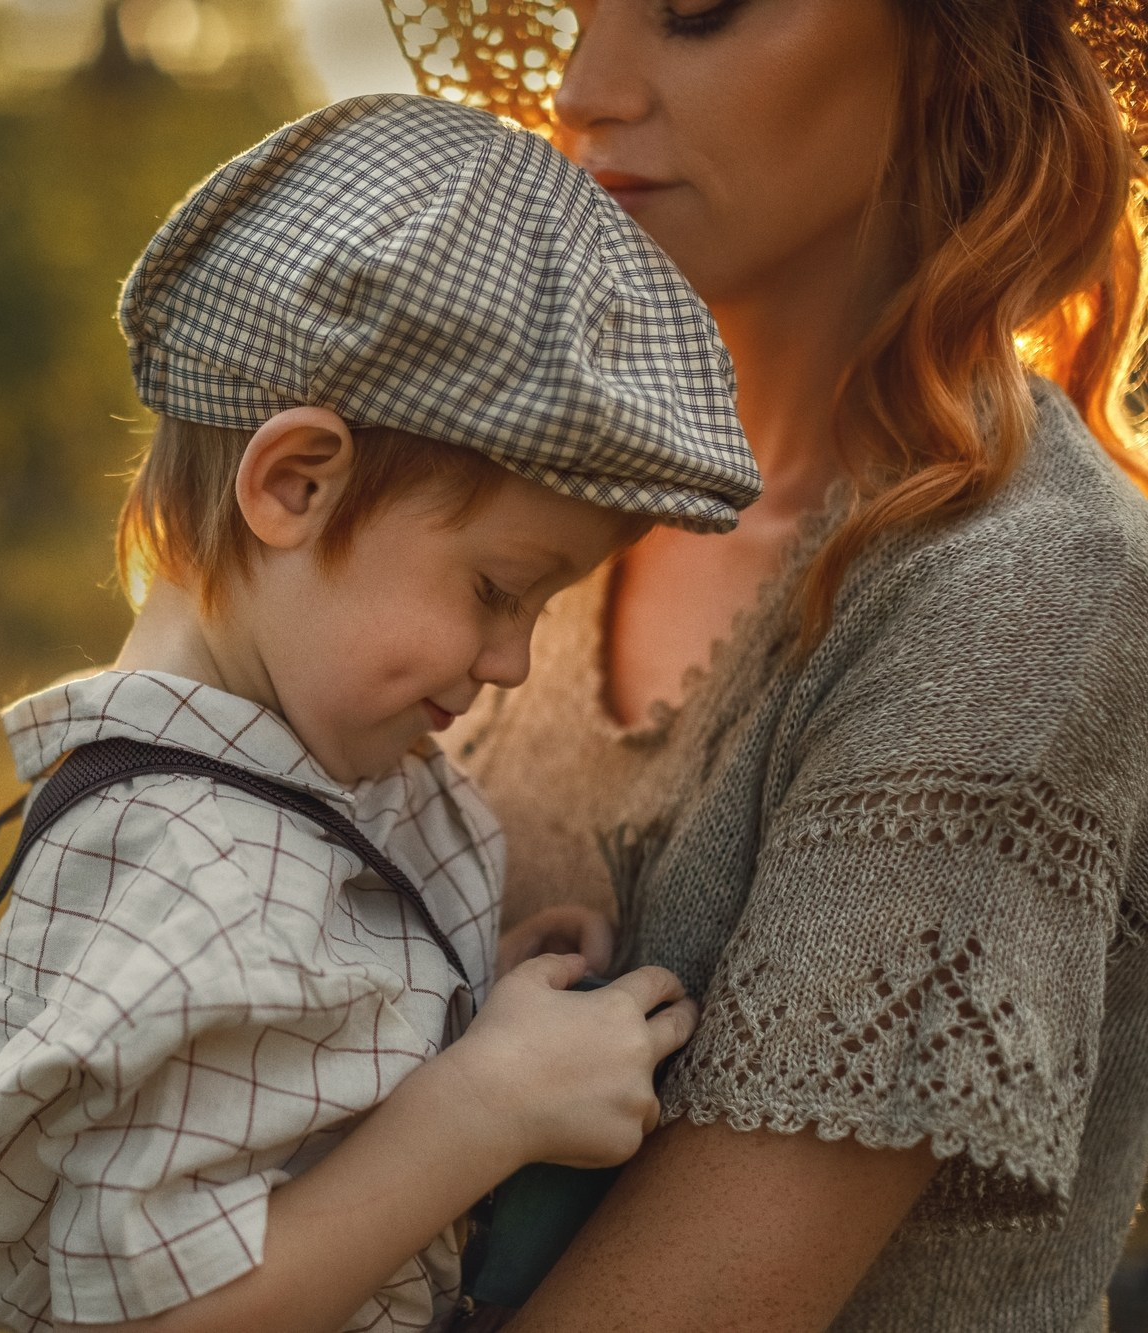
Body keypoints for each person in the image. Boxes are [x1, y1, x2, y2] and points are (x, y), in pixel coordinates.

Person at [0, 94, 762, 1332]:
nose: (512, 660)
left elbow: (271, 1115)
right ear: (293, 484)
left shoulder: (271, 791)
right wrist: (480, 1112)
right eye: (496, 591)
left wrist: (464, 1009)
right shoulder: (200, 870)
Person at [388, 0, 1148, 1328]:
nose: (587, 87)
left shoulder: (1023, 591)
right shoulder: (538, 495)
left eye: (697, 9)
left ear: (949, 40)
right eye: (576, 10)